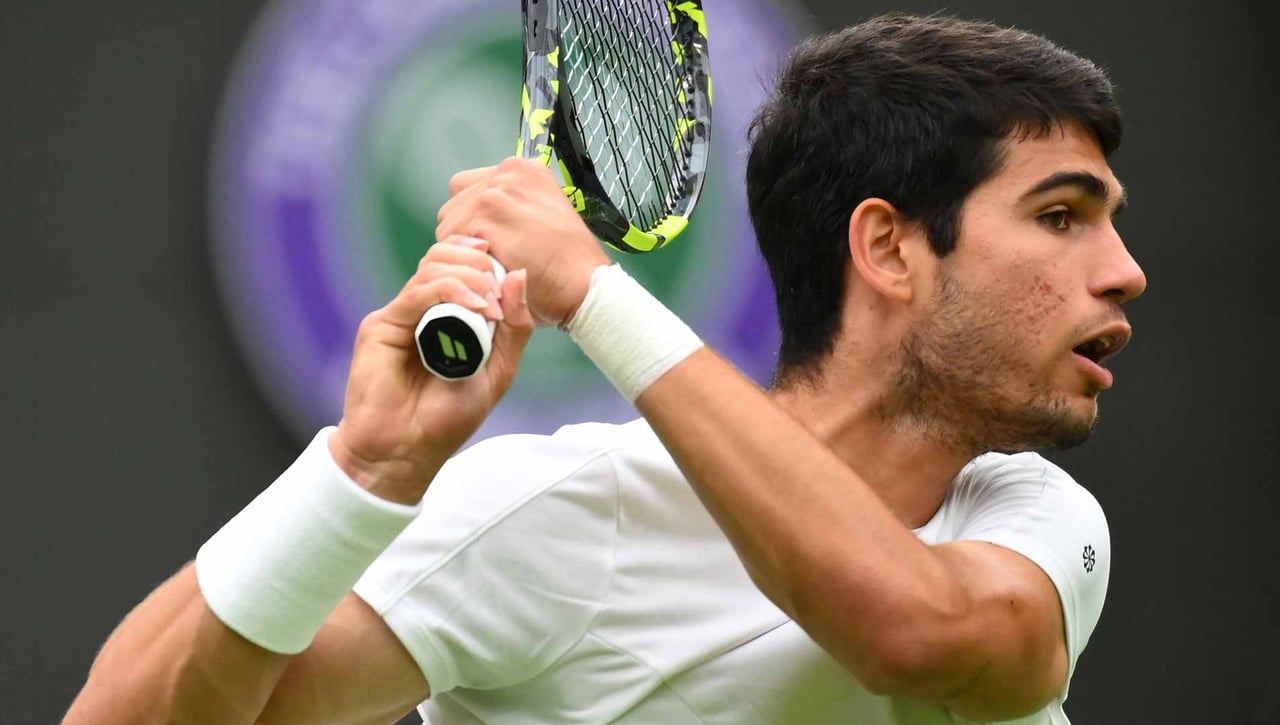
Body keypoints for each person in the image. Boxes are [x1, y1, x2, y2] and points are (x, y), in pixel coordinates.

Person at [64, 13, 1145, 725]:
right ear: (886, 248)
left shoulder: (1031, 518)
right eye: (1058, 217)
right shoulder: (553, 510)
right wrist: (362, 471)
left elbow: (920, 631)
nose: (1124, 274)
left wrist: (591, 290)